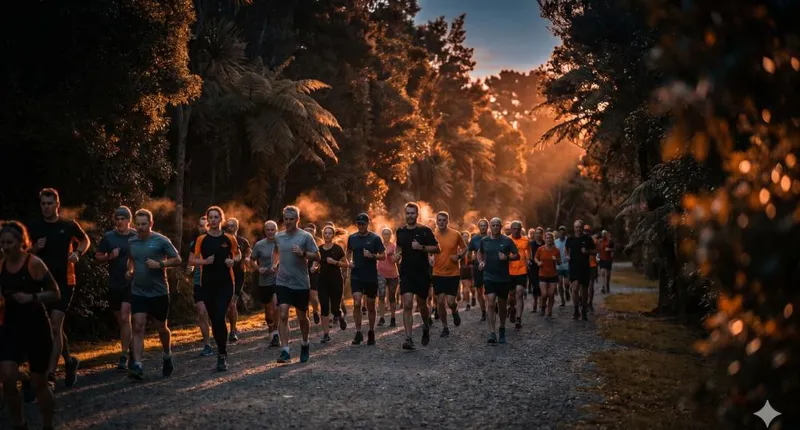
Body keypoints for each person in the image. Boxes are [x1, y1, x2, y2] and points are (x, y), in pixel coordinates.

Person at [0, 221, 61, 430]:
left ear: (22, 242)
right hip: (10, 327)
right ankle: (20, 425)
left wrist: (32, 297)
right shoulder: (1, 265)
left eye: (10, 242)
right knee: (6, 377)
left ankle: (47, 425)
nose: (6, 247)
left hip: (36, 327)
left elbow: (55, 292)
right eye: (2, 243)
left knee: (39, 383)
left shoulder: (33, 263)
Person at [27, 188, 89, 387]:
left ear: (57, 205)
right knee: (52, 328)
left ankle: (50, 375)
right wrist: (35, 248)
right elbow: (22, 252)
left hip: (65, 281)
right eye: (43, 204)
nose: (46, 207)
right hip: (41, 282)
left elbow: (85, 240)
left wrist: (78, 253)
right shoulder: (34, 227)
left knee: (54, 325)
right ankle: (70, 362)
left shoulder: (68, 225)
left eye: (49, 203)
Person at [126, 209, 182, 380]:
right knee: (138, 326)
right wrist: (129, 271)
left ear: (151, 224)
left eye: (144, 224)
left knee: (161, 328)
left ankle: (167, 355)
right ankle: (137, 365)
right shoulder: (132, 241)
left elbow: (178, 259)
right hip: (138, 291)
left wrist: (160, 264)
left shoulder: (161, 240)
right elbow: (131, 259)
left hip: (158, 292)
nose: (141, 227)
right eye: (138, 224)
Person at [189, 206, 241, 371]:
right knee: (215, 319)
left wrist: (233, 261)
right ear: (207, 220)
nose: (212, 220)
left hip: (226, 284)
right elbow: (191, 260)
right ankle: (221, 350)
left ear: (221, 219)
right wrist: (204, 262)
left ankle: (221, 354)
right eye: (210, 217)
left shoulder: (229, 238)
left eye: (216, 217)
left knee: (219, 317)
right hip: (207, 285)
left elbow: (238, 254)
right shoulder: (201, 240)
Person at [273, 206, 319, 363]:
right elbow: (275, 252)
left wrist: (303, 253)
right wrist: (275, 264)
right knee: (283, 313)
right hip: (283, 281)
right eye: (285, 219)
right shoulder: (278, 237)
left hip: (300, 283)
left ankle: (305, 343)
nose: (287, 222)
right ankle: (285, 350)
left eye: (291, 219)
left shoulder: (305, 237)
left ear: (297, 220)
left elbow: (318, 256)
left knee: (302, 316)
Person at [94, 206, 137, 370]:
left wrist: (133, 271)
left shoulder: (136, 235)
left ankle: (123, 356)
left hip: (131, 283)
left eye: (123, 219)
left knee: (126, 317)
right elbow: (98, 256)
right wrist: (109, 256)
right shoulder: (109, 237)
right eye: (117, 219)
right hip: (114, 283)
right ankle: (133, 349)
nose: (120, 222)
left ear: (129, 220)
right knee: (121, 321)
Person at [395, 202, 440, 350]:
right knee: (407, 304)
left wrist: (421, 247)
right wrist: (397, 255)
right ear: (405, 214)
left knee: (422, 304)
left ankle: (426, 325)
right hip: (406, 272)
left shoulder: (425, 231)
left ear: (417, 214)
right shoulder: (400, 231)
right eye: (407, 213)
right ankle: (408, 338)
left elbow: (437, 248)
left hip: (422, 272)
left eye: (412, 213)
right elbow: (399, 247)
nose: (410, 216)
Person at [477, 217, 519, 344]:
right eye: (493, 225)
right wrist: (481, 262)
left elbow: (517, 255)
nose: (495, 227)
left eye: (497, 225)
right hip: (489, 276)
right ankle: (492, 333)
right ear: (490, 226)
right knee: (490, 303)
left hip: (503, 278)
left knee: (501, 306)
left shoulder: (507, 241)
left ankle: (502, 328)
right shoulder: (485, 240)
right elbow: (479, 253)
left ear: (501, 227)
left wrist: (507, 257)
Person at [346, 213, 386, 346]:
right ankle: (358, 332)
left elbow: (383, 256)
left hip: (370, 275)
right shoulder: (352, 238)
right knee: (357, 303)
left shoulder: (375, 238)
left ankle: (371, 331)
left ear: (368, 224)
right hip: (356, 275)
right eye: (359, 224)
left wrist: (372, 256)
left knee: (370, 305)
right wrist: (349, 262)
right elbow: (348, 252)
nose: (361, 226)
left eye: (363, 224)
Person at [432, 211, 467, 338]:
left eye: (443, 220)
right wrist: (429, 258)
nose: (441, 222)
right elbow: (427, 250)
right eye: (439, 220)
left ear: (447, 221)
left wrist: (458, 256)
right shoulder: (432, 235)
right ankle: (445, 327)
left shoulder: (455, 234)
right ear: (436, 221)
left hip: (452, 273)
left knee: (451, 301)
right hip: (437, 273)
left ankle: (454, 310)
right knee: (440, 301)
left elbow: (464, 248)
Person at [250, 221, 280, 347]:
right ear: (265, 231)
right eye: (268, 229)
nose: (270, 232)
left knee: (276, 306)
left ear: (276, 230)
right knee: (268, 310)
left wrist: (278, 266)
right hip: (264, 280)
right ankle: (271, 329)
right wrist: (258, 269)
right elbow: (252, 261)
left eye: (273, 229)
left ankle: (276, 333)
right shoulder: (259, 245)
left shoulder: (281, 243)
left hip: (278, 279)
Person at [318, 224, 348, 343]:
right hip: (322, 281)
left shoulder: (338, 249)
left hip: (336, 280)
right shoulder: (319, 249)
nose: (327, 235)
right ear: (323, 235)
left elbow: (346, 264)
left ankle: (340, 317)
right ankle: (326, 334)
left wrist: (335, 262)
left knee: (335, 308)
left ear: (333, 235)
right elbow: (316, 262)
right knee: (324, 307)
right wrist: (314, 267)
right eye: (325, 233)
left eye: (330, 233)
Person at [188, 216, 213, 356]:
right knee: (202, 313)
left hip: (215, 283)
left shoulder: (218, 241)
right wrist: (191, 268)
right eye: (200, 225)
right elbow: (191, 261)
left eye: (205, 225)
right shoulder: (194, 243)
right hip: (199, 282)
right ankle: (207, 345)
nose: (202, 228)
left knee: (215, 315)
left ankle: (220, 339)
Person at [224, 217, 251, 343]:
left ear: (237, 227)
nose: (230, 227)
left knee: (232, 304)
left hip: (238, 276)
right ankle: (222, 330)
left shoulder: (243, 241)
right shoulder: (221, 240)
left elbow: (248, 255)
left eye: (233, 225)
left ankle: (233, 330)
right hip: (223, 276)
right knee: (223, 305)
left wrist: (246, 260)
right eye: (228, 225)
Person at [566, 220, 596, 321]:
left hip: (584, 268)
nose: (578, 229)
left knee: (584, 291)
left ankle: (583, 309)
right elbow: (566, 249)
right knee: (574, 289)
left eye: (580, 227)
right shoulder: (570, 238)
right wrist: (567, 256)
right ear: (574, 228)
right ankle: (575, 311)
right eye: (576, 227)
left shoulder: (587, 238)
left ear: (583, 228)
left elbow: (595, 251)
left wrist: (587, 251)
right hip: (573, 267)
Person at [508, 221, 530, 330]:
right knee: (511, 296)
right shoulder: (506, 240)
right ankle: (512, 308)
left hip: (522, 270)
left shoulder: (526, 240)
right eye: (514, 229)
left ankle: (518, 319)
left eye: (518, 229)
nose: (516, 231)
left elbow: (528, 254)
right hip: (509, 271)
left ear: (521, 229)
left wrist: (529, 261)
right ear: (511, 229)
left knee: (519, 293)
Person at [534, 231, 561, 318]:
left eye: (550, 238)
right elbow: (535, 258)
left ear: (553, 240)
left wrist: (556, 259)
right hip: (542, 274)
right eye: (547, 238)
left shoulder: (556, 250)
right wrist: (538, 263)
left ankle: (549, 311)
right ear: (545, 239)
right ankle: (542, 307)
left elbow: (560, 262)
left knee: (551, 294)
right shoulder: (540, 249)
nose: (548, 239)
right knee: (544, 294)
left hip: (553, 275)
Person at [467, 219, 490, 321]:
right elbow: (469, 252)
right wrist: (471, 258)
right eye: (481, 226)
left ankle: (493, 305)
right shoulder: (474, 239)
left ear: (487, 226)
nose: (483, 227)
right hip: (478, 267)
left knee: (491, 290)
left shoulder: (491, 238)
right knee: (479, 291)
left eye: (485, 225)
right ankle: (483, 311)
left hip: (490, 266)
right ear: (478, 227)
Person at [377, 227, 400, 327]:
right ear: (382, 236)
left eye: (388, 234)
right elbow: (375, 257)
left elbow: (396, 260)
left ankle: (393, 318)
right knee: (381, 296)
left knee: (392, 297)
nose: (386, 236)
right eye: (384, 234)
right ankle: (381, 318)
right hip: (381, 273)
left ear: (391, 236)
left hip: (392, 274)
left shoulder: (394, 246)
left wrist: (390, 254)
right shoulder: (378, 246)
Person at [304, 223, 322, 325]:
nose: (309, 232)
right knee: (304, 296)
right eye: (307, 230)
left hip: (314, 270)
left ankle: (315, 311)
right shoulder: (300, 240)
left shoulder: (318, 241)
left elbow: (319, 257)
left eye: (311, 230)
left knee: (313, 295)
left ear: (314, 231)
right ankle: (306, 318)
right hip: (302, 269)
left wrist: (314, 266)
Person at [528, 228, 545, 314]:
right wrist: (528, 260)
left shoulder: (545, 243)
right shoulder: (531, 244)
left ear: (542, 234)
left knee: (541, 287)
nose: (538, 235)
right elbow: (527, 253)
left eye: (540, 233)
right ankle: (535, 304)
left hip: (543, 267)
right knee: (535, 287)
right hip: (533, 268)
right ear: (534, 235)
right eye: (537, 233)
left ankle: (542, 305)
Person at [554, 225, 570, 307]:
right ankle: (562, 300)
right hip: (558, 265)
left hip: (567, 265)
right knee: (560, 284)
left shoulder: (568, 241)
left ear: (565, 233)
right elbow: (553, 251)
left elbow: (571, 250)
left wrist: (569, 256)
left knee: (566, 283)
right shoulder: (555, 242)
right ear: (558, 233)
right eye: (560, 232)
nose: (562, 233)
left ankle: (567, 290)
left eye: (563, 232)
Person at [459, 231, 474, 311]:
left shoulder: (472, 245)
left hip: (471, 267)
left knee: (472, 286)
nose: (465, 238)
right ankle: (467, 304)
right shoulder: (459, 246)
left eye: (466, 236)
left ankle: (474, 296)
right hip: (463, 268)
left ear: (469, 237)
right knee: (465, 286)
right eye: (464, 236)